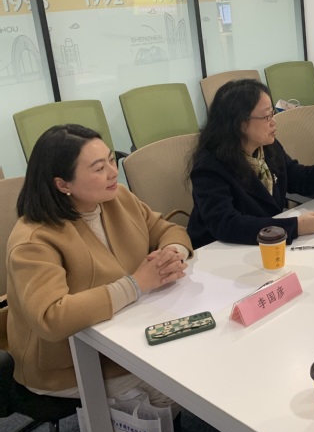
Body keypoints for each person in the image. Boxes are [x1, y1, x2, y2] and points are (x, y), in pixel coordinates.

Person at [4, 124, 191, 406]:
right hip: (66, 362)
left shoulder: (117, 198)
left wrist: (171, 254)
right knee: (172, 386)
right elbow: (51, 317)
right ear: (63, 185)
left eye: (111, 160)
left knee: (196, 357)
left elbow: (167, 229)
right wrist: (136, 284)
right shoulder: (35, 239)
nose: (113, 172)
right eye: (99, 168)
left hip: (127, 329)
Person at [188, 79, 314, 248]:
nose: (274, 122)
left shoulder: (268, 147)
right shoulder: (210, 166)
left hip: (264, 244)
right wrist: (293, 227)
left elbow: (300, 180)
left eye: (272, 114)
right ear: (240, 123)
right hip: (219, 251)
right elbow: (226, 224)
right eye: (267, 116)